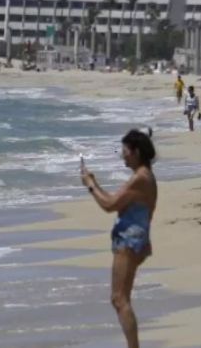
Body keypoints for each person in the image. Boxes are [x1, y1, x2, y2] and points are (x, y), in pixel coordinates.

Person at [80, 130, 157, 348]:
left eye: (125, 151)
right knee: (121, 298)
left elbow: (109, 205)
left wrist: (90, 184)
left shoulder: (140, 178)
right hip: (133, 240)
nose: (122, 156)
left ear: (136, 152)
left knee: (119, 299)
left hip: (129, 241)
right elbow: (124, 205)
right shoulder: (144, 176)